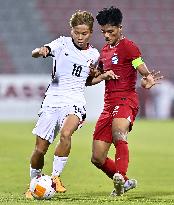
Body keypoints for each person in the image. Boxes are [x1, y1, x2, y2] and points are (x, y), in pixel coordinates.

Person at [25, 10, 116, 199]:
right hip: (52, 100)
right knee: (40, 150)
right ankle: (33, 183)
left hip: (75, 101)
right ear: (71, 30)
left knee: (66, 134)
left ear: (90, 32)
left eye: (84, 33)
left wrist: (103, 76)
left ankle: (55, 177)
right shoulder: (61, 43)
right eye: (76, 32)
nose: (80, 37)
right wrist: (39, 51)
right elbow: (38, 51)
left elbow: (87, 80)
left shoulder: (94, 54)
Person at [86, 6, 163, 196]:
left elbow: (139, 65)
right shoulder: (103, 51)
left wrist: (147, 78)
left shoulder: (128, 46)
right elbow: (92, 80)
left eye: (110, 31)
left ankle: (120, 175)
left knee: (119, 134)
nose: (106, 35)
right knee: (97, 158)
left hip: (126, 99)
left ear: (120, 28)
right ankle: (126, 183)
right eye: (103, 31)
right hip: (108, 105)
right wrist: (96, 75)